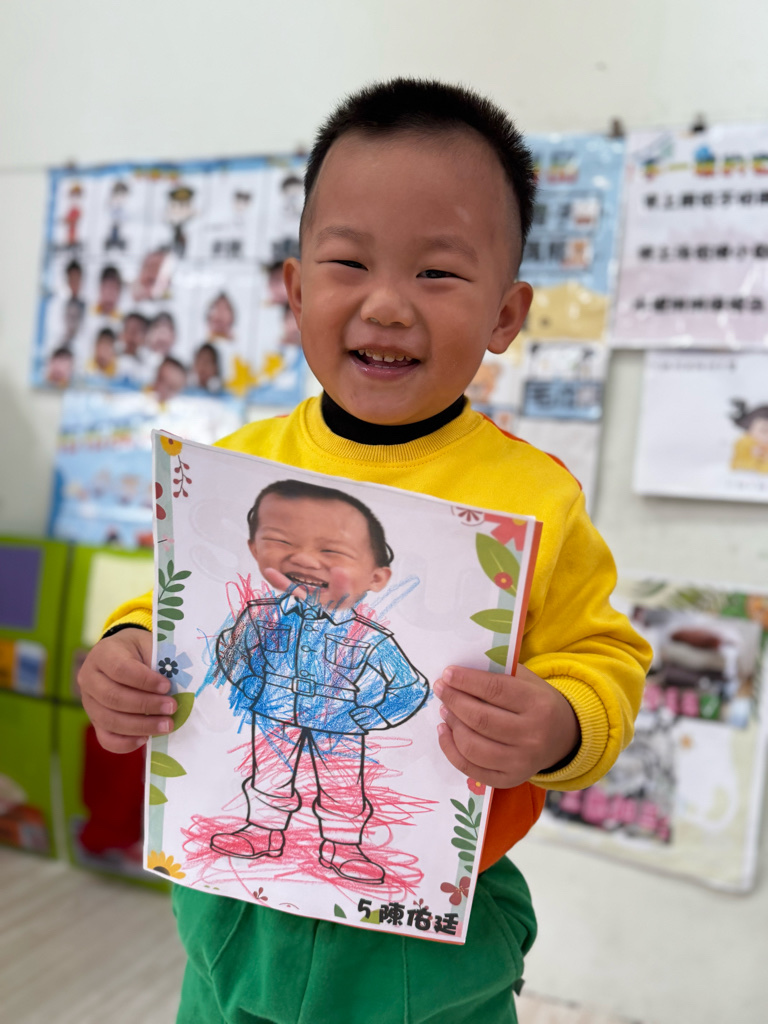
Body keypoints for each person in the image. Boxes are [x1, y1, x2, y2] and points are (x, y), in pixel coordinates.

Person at [78, 79, 651, 1024]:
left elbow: (605, 658)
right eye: (349, 262)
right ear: (298, 289)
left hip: (431, 937)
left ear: (506, 315)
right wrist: (128, 653)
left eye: (438, 273)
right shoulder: (238, 467)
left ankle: (348, 842)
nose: (386, 305)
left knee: (344, 796)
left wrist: (559, 722)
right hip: (234, 915)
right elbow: (184, 610)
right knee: (263, 809)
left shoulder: (536, 497)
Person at [209, 479, 428, 882]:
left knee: (342, 786)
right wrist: (256, 690)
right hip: (274, 712)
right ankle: (261, 832)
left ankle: (343, 847)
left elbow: (410, 688)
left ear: (376, 577)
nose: (307, 561)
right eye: (283, 542)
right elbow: (231, 652)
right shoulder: (261, 615)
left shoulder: (370, 638)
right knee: (269, 776)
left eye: (332, 551)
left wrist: (366, 718)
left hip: (339, 723)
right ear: (255, 549)